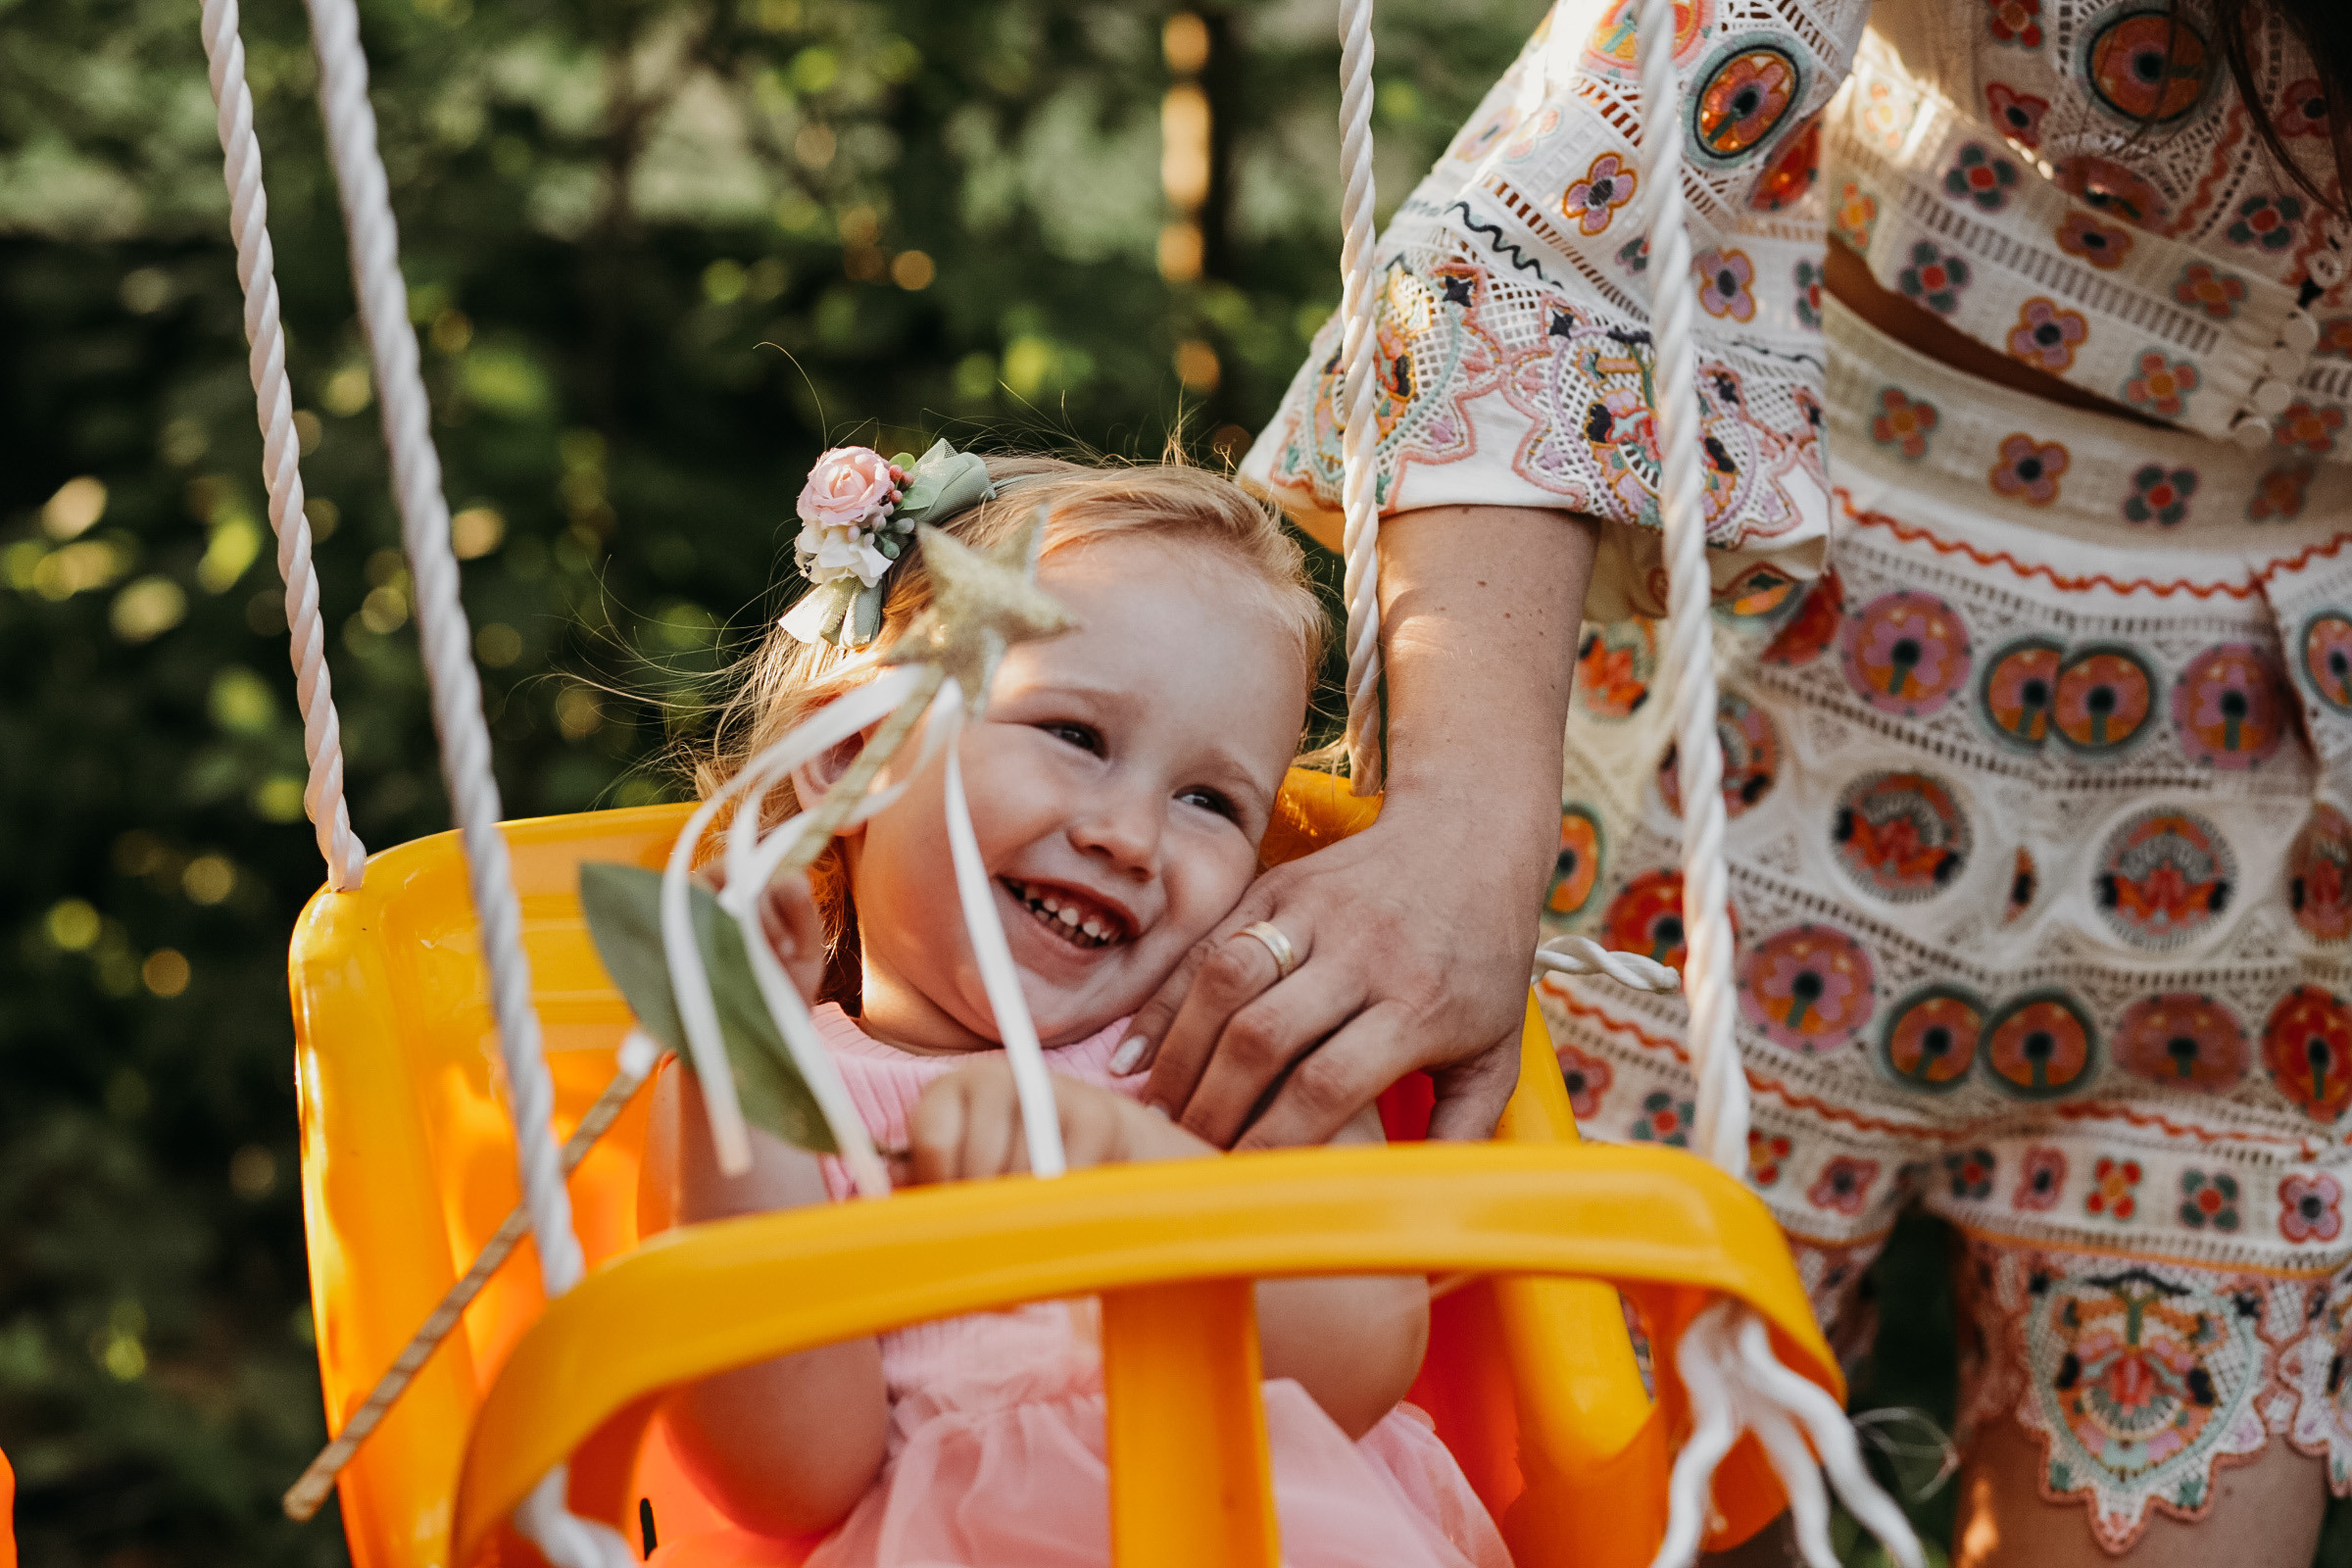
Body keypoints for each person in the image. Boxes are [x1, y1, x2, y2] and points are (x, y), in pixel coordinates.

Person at [1130, 1, 2352, 1563]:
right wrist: (1459, 833)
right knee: (1611, 1500)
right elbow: (1557, 223)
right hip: (1747, 728)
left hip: (2273, 858)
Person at [636, 452, 1509, 1568]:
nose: (1131, 835)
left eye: (1210, 800)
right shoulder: (775, 1089)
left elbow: (1353, 1365)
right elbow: (791, 1475)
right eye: (1076, 736)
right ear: (856, 746)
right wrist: (733, 1055)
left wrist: (1141, 1169)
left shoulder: (1229, 1046)